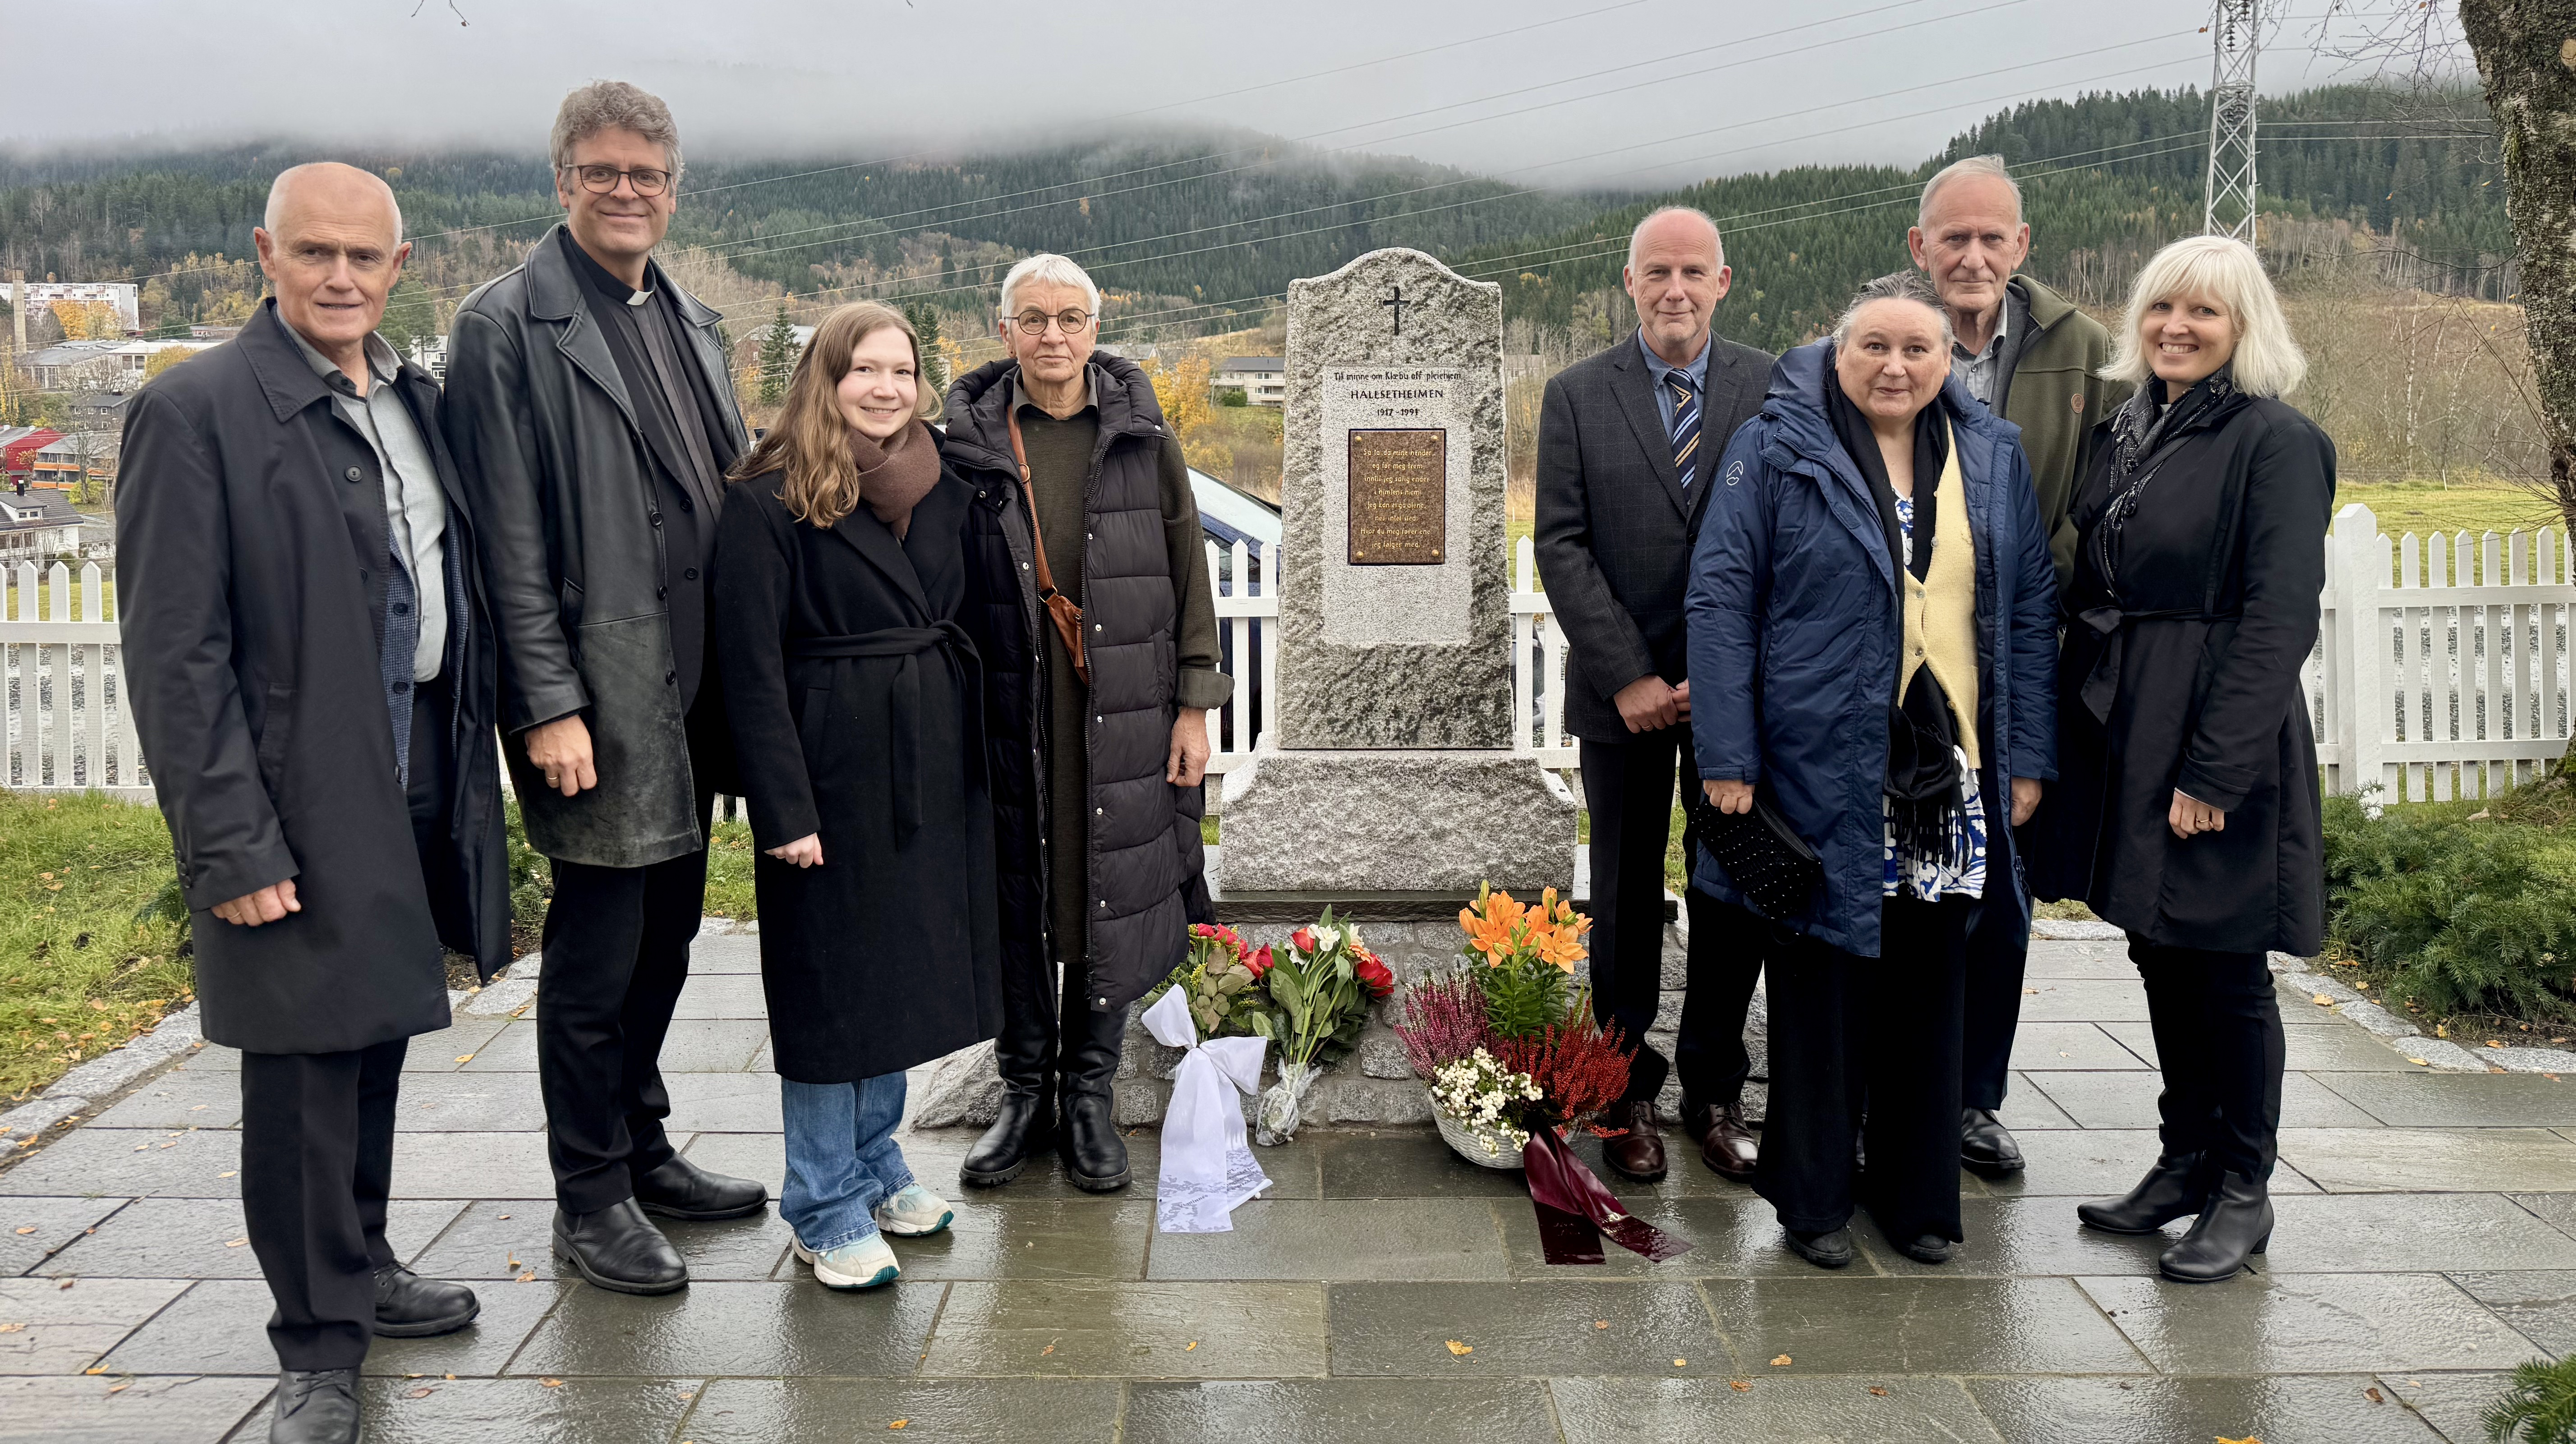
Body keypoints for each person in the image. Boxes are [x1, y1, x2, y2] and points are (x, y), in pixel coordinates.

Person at [117, 162, 510, 1444]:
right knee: (300, 1076)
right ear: (265, 256)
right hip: (293, 800)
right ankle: (317, 1344)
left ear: (401, 268)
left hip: (418, 773)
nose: (341, 277)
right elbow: (176, 655)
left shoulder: (419, 401)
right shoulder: (197, 412)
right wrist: (228, 840)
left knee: (379, 1032)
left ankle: (368, 1262)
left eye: (364, 257)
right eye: (314, 253)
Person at [444, 80, 766, 1296]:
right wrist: (547, 704)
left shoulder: (690, 317)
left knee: (670, 936)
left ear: (672, 192)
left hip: (693, 695)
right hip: (601, 696)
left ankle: (641, 1144)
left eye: (647, 174)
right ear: (563, 180)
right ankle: (590, 1194)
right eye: (603, 171)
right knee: (598, 951)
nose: (626, 191)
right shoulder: (507, 326)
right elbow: (506, 539)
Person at [1686, 272, 2056, 1270]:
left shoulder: (1992, 452)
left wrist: (2028, 760)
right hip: (1820, 761)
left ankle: (1916, 1194)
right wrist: (1726, 755)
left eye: (1918, 350)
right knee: (1821, 982)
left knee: (1934, 981)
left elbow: (2024, 608)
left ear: (1948, 360)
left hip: (1954, 769)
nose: (1896, 367)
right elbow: (1721, 599)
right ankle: (1813, 1199)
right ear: (1836, 351)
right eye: (1874, 348)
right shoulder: (1775, 446)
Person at [2029, 235, 2332, 1283]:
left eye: (2204, 313)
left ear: (2245, 327)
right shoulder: (2123, 431)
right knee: (2159, 945)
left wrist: (2217, 769)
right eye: (2162, 309)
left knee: (2226, 963)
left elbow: (2279, 617)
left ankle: (2245, 1190)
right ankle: (2184, 1160)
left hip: (2212, 725)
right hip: (2128, 717)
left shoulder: (2276, 442)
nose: (2177, 328)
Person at [714, 302, 998, 1289]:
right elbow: (748, 669)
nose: (885, 387)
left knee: (898, 980)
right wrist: (782, 809)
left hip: (924, 757)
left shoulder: (942, 481)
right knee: (832, 993)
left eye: (901, 368)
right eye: (863, 369)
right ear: (824, 379)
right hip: (828, 765)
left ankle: (878, 1166)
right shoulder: (765, 498)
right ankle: (821, 1199)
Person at [942, 253, 1230, 1193]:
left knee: (1108, 886)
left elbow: (1191, 572)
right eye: (1034, 320)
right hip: (1010, 706)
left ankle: (1089, 1098)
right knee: (1021, 890)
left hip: (1127, 705)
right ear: (1004, 330)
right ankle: (1024, 1090)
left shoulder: (1142, 435)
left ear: (1096, 329)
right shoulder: (965, 442)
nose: (1053, 336)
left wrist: (1195, 702)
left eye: (1070, 318)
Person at [1534, 206, 1774, 1183]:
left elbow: (1786, 534)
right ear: (1627, 282)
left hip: (1738, 698)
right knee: (1626, 897)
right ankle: (1622, 1085)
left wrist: (1726, 676)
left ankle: (1715, 1086)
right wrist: (1628, 671)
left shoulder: (1776, 384)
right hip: (1619, 696)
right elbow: (1560, 541)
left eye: (1693, 271)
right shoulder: (1577, 394)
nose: (1674, 288)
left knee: (1733, 892)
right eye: (1656, 272)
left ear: (1725, 280)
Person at [1908, 155, 2127, 1179]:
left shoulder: (2086, 355)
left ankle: (1973, 1098)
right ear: (1921, 247)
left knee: (2000, 887)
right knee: (1897, 882)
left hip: (2020, 656)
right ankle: (1890, 1087)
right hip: (1903, 663)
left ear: (2023, 246)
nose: (1974, 255)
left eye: (1993, 238)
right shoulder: (1880, 337)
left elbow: (2108, 505)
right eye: (1954, 237)